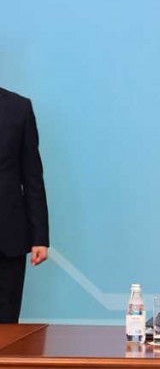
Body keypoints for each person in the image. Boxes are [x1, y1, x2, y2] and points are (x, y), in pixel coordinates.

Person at [0, 88, 50, 323]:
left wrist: (40, 237)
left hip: (7, 239)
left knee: (7, 323)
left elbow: (32, 177)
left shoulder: (19, 107)